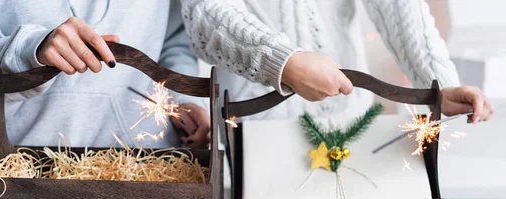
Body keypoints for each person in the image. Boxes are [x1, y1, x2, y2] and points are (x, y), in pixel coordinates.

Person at [0, 0, 210, 175]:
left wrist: (180, 101)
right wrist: (29, 51)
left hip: (153, 171)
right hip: (23, 174)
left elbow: (174, 40)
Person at [179, 0, 494, 124]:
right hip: (253, 129)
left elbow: (398, 6)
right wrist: (284, 64)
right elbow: (203, 15)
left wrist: (438, 83)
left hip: (351, 121)